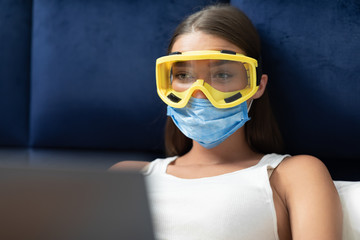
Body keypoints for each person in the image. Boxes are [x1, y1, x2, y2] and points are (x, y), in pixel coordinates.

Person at [110, 4, 342, 240]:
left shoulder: (293, 175)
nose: (198, 92)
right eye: (183, 75)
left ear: (257, 85)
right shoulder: (125, 177)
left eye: (221, 75)